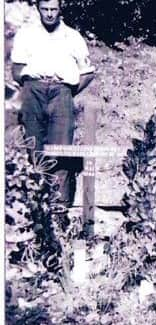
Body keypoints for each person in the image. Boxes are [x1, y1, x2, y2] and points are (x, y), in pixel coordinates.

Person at [11, 0, 95, 209]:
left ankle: (60, 206)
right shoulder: (26, 34)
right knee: (34, 146)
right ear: (39, 9)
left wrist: (66, 92)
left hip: (61, 92)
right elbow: (16, 68)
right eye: (45, 9)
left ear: (60, 9)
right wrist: (32, 88)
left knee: (61, 148)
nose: (49, 14)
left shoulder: (73, 36)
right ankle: (35, 204)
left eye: (53, 9)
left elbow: (88, 72)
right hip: (33, 91)